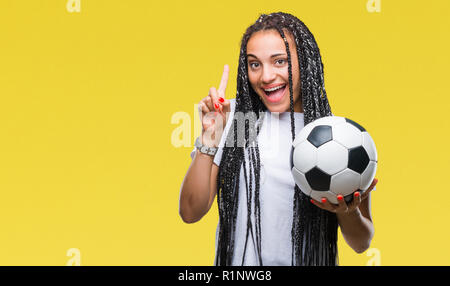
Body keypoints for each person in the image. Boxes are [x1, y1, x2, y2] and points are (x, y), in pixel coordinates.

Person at [179, 12, 378, 266]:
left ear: (304, 62)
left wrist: (347, 212)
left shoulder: (338, 135)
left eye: (279, 61)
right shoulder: (235, 119)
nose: (265, 76)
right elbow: (190, 211)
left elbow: (361, 243)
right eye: (254, 64)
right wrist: (210, 138)